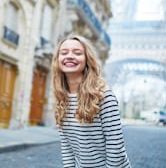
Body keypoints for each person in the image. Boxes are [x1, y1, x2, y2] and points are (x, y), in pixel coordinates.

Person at [51, 35, 131, 168]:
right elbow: (67, 147)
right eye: (64, 53)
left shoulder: (104, 97)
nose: (69, 56)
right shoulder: (61, 98)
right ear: (58, 60)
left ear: (87, 60)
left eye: (77, 53)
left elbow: (115, 148)